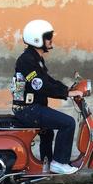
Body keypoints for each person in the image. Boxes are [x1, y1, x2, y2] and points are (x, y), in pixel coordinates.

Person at [11, 19, 83, 174]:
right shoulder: (26, 60)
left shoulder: (35, 59)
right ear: (37, 39)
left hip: (32, 107)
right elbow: (41, 85)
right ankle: (59, 162)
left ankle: (46, 164)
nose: (51, 39)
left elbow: (47, 80)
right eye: (48, 36)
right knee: (68, 123)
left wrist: (66, 89)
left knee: (48, 131)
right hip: (27, 109)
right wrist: (66, 93)